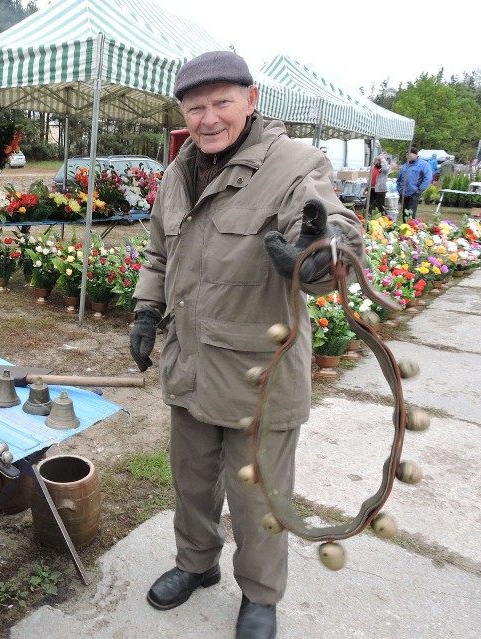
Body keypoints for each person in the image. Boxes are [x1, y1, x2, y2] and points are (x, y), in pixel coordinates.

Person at [128, 51, 365, 639]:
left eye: (222, 103)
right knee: (191, 480)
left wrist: (318, 250)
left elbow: (334, 232)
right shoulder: (178, 171)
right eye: (196, 106)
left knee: (259, 496)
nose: (209, 118)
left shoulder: (294, 164)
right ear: (183, 110)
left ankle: (260, 596)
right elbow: (161, 252)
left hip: (261, 375)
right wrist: (146, 308)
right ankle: (196, 563)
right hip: (191, 364)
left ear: (252, 100)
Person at [395, 146, 432, 221]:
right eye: (406, 154)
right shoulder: (405, 166)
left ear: (415, 154)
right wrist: (399, 189)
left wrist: (420, 189)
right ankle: (405, 228)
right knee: (404, 213)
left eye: (409, 154)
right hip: (404, 193)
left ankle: (411, 228)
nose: (407, 156)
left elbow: (427, 178)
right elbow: (399, 178)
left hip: (414, 192)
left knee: (411, 212)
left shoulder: (423, 164)